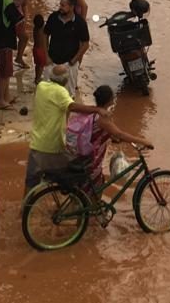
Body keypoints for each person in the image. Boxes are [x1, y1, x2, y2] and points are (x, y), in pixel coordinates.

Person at [24, 66, 98, 195]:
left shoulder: (41, 86)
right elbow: (72, 107)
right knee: (77, 172)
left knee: (31, 181)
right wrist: (96, 109)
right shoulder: (61, 92)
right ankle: (75, 202)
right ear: (65, 80)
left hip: (36, 144)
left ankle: (25, 206)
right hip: (52, 146)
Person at [69, 85, 154, 188]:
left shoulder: (95, 112)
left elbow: (101, 133)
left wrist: (112, 138)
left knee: (94, 185)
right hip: (93, 159)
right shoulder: (103, 118)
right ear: (109, 100)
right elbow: (119, 134)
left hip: (88, 155)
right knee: (95, 187)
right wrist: (143, 141)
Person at [43, 0, 90, 94]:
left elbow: (85, 44)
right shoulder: (53, 17)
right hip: (52, 61)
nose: (60, 7)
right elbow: (45, 35)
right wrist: (46, 56)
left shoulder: (80, 22)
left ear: (72, 7)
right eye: (60, 4)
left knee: (68, 95)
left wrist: (73, 61)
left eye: (63, 5)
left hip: (69, 64)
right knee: (47, 92)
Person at [13, 0, 37, 69]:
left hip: (18, 17)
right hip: (9, 14)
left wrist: (26, 19)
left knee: (24, 37)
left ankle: (19, 58)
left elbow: (24, 5)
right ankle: (17, 58)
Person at [32, 13, 48, 83]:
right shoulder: (43, 29)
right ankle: (38, 79)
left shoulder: (35, 29)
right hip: (42, 50)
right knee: (41, 65)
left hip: (35, 49)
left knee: (37, 65)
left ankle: (36, 77)